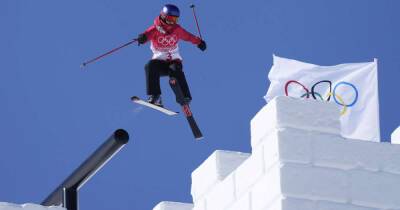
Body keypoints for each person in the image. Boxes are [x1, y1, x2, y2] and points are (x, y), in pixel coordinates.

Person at [136, 4, 206, 107]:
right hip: (160, 63)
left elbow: (188, 36)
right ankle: (155, 97)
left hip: (174, 61)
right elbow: (146, 35)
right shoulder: (155, 29)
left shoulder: (177, 29)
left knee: (174, 69)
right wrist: (142, 38)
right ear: (163, 16)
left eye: (175, 19)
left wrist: (199, 42)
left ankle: (185, 96)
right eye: (171, 19)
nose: (173, 22)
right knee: (149, 66)